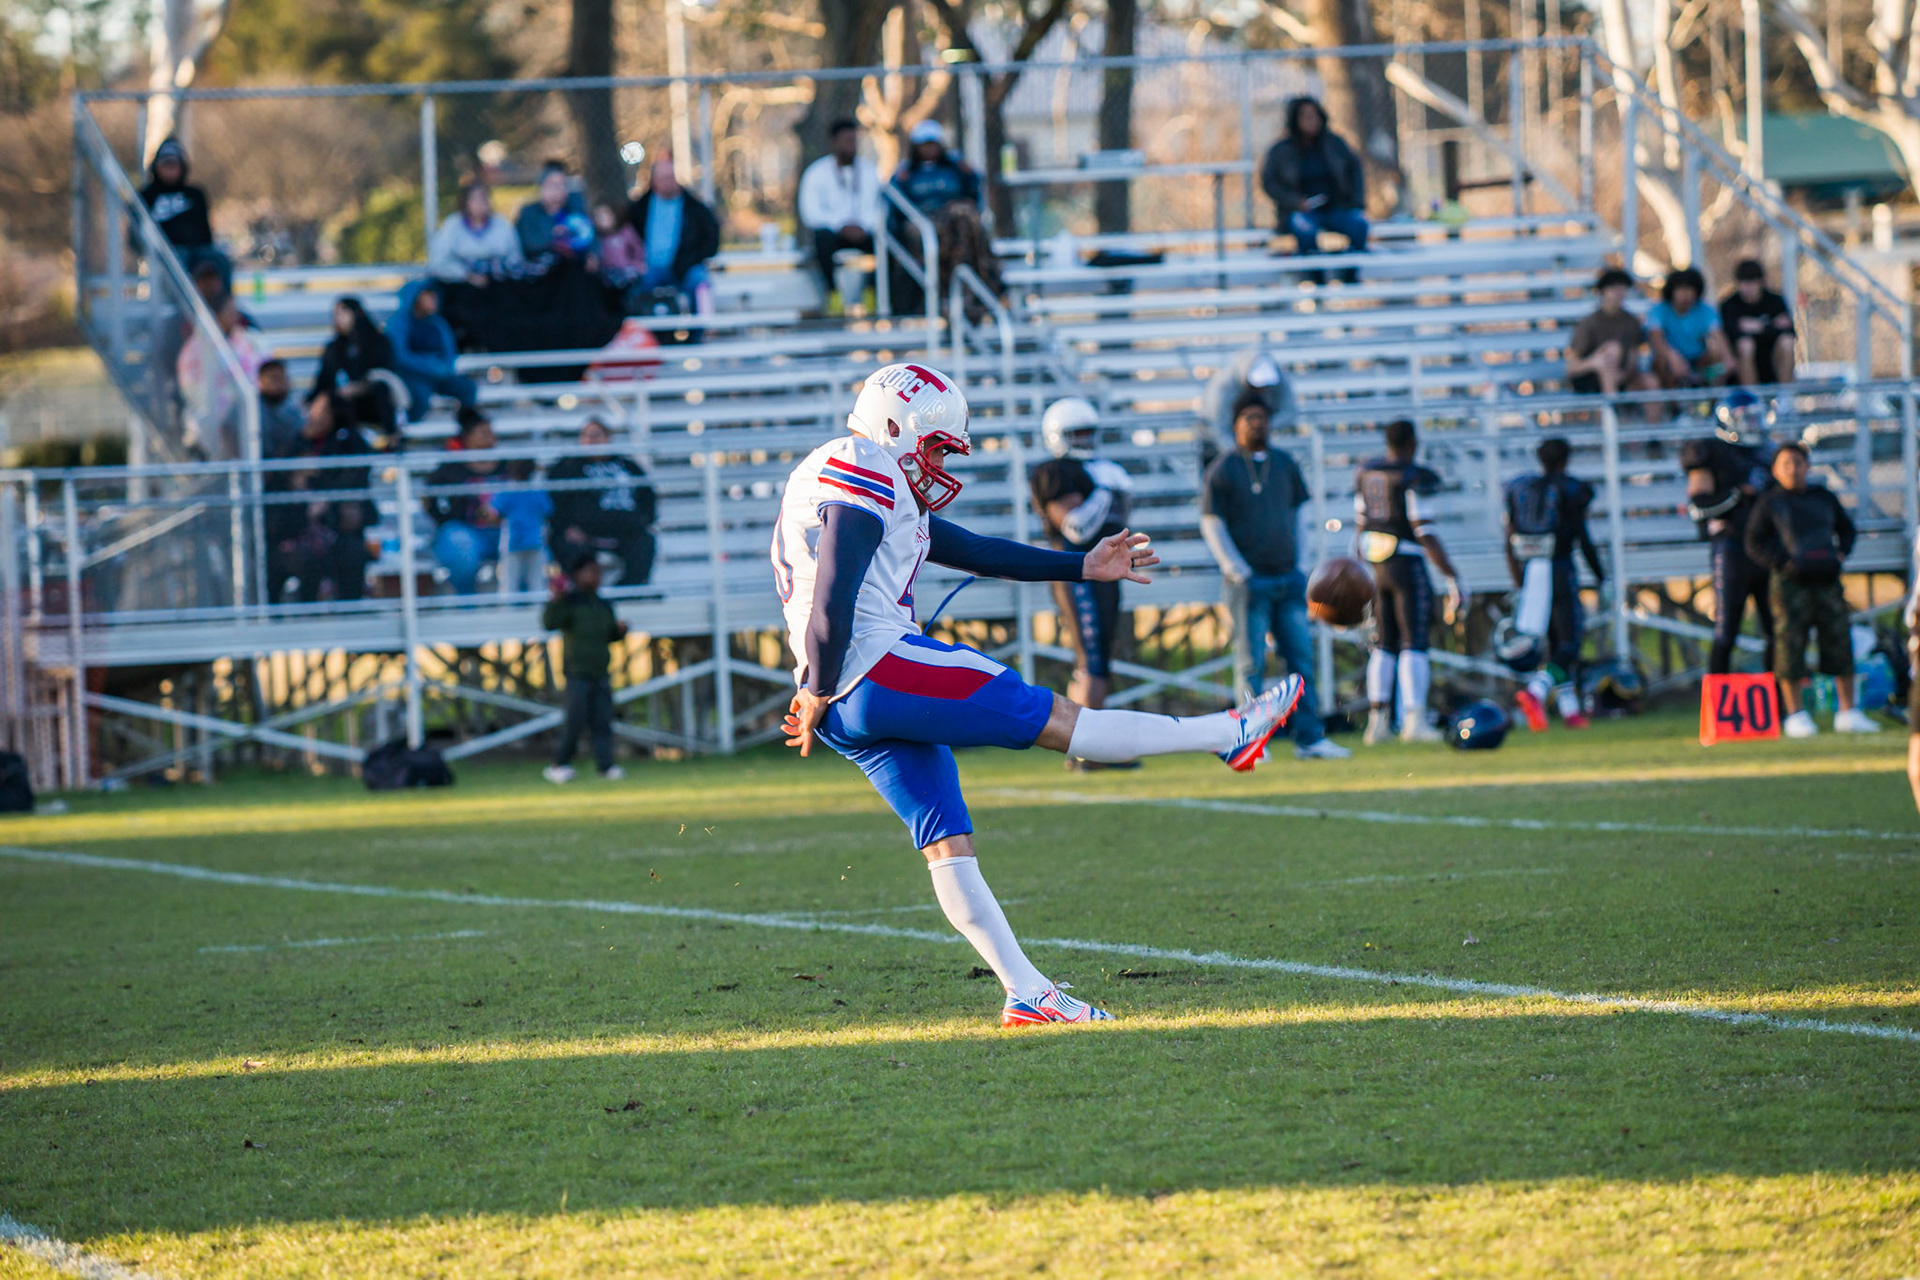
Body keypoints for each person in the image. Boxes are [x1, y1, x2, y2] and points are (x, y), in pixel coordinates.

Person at [775, 362, 1305, 1027]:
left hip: (847, 693)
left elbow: (976, 550)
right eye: (936, 447)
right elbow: (833, 592)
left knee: (947, 842)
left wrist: (1083, 564)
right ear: (894, 428)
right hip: (871, 669)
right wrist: (818, 685)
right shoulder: (863, 463)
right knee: (1060, 719)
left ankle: (1027, 992)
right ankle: (1227, 733)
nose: (941, 463)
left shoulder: (860, 475)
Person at [1201, 390, 1349, 760]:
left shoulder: (1284, 463)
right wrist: (1236, 568)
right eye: (1250, 418)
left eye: (1262, 418)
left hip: (1288, 577)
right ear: (1236, 425)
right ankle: (1251, 740)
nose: (1258, 424)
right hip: (1249, 583)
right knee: (1250, 664)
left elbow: (1299, 514)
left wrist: (1302, 563)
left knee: (1300, 661)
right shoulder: (1224, 468)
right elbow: (1211, 522)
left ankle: (1310, 737)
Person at [1744, 442, 1879, 737]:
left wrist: (1839, 554)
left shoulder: (1823, 496)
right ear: (1775, 470)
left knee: (1840, 642)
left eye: (1798, 462)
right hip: (1790, 584)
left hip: (1827, 580)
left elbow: (1846, 529)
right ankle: (1796, 714)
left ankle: (1848, 711)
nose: (1793, 469)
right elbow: (1754, 542)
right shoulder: (1770, 502)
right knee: (1789, 646)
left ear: (1807, 465)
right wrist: (1783, 563)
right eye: (1786, 464)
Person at [1029, 398, 1137, 765]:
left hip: (1104, 571)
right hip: (1078, 571)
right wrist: (1105, 493)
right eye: (1078, 433)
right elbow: (1075, 527)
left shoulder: (1097, 469)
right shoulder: (1057, 472)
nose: (1086, 440)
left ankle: (1087, 747)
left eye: (1090, 432)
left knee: (1097, 656)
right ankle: (1088, 750)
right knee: (1091, 658)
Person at [1354, 419, 1462, 745]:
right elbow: (1422, 527)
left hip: (1374, 562)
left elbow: (1360, 523)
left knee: (1384, 644)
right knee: (1413, 641)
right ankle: (1414, 719)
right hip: (1405, 562)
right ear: (1413, 442)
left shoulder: (1367, 472)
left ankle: (1378, 722)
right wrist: (1452, 576)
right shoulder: (1412, 475)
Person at [1502, 437, 1606, 732]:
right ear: (1566, 459)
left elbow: (1509, 537)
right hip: (1558, 570)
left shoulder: (1520, 488)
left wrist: (1517, 578)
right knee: (1569, 644)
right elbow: (1582, 537)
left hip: (1529, 570)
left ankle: (1569, 711)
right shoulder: (1569, 489)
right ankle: (1535, 691)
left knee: (1555, 646)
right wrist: (1601, 576)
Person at [1683, 389, 1777, 676]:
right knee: (1726, 631)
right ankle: (1717, 696)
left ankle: (1779, 696)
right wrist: (1737, 496)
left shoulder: (1769, 452)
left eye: (1756, 418)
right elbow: (1698, 507)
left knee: (1776, 630)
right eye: (1746, 418)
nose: (1753, 424)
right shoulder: (1712, 451)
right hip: (1732, 548)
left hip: (1768, 548)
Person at [264, 390, 377, 604]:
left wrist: (325, 496)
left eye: (323, 410)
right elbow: (279, 481)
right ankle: (305, 613)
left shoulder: (349, 442)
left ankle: (351, 611)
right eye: (315, 408)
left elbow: (353, 482)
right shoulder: (296, 443)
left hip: (335, 528)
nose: (315, 414)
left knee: (352, 554)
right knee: (298, 560)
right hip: (294, 531)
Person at [542, 552, 628, 784]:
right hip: (577, 673)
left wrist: (620, 631)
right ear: (577, 575)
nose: (595, 577)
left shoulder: (603, 604)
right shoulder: (570, 602)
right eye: (590, 572)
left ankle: (606, 766)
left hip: (600, 672)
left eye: (598, 572)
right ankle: (560, 764)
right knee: (575, 721)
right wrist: (556, 599)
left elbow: (609, 634)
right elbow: (550, 623)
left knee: (603, 721)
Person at [1260, 96, 1368, 272]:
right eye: (1305, 116)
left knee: (1358, 224)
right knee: (1303, 228)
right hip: (1302, 210)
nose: (1311, 121)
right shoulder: (1281, 150)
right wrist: (1294, 201)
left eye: (1314, 115)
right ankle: (1316, 277)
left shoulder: (1335, 144)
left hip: (1336, 207)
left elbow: (1355, 171)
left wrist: (1356, 203)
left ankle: (1350, 275)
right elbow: (1269, 183)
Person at [546, 418, 658, 586]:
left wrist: (642, 522)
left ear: (608, 438)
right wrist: (565, 527)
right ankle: (583, 593)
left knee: (646, 542)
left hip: (626, 534)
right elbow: (552, 500)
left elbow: (648, 497)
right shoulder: (567, 466)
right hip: (584, 535)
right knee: (562, 543)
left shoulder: (628, 466)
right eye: (586, 435)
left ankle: (628, 592)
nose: (591, 440)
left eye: (596, 435)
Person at [885, 121, 982, 314]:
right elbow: (894, 204)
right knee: (926, 237)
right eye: (924, 145)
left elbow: (974, 193)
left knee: (964, 219)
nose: (929, 149)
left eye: (933, 144)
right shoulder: (906, 173)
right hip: (922, 224)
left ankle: (970, 288)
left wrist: (968, 174)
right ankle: (934, 296)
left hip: (953, 224)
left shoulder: (954, 168)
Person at [799, 120, 882, 308]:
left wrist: (864, 226)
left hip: (864, 231)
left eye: (854, 140)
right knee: (822, 239)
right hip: (834, 233)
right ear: (834, 142)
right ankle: (833, 294)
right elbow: (810, 212)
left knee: (887, 242)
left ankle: (873, 292)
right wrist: (840, 226)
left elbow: (878, 206)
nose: (851, 146)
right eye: (846, 141)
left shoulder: (869, 170)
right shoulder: (817, 173)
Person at [176, 295, 271, 460]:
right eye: (229, 310)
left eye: (234, 309)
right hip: (212, 413)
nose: (234, 314)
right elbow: (190, 386)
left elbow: (264, 372)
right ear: (216, 314)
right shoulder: (195, 348)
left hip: (247, 412)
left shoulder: (251, 340)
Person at [625, 153, 720, 314]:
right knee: (630, 288)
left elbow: (711, 240)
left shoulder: (695, 208)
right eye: (664, 178)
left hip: (684, 267)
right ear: (654, 182)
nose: (669, 183)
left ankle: (701, 327)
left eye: (672, 177)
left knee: (699, 282)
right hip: (648, 268)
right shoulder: (640, 209)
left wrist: (690, 260)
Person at [423, 409, 503, 594]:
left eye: (490, 432)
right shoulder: (452, 468)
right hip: (467, 529)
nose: (490, 437)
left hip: (504, 528)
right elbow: (428, 497)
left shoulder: (508, 465)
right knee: (459, 544)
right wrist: (445, 520)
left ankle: (524, 598)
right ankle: (466, 599)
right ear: (467, 437)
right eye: (483, 433)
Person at [138, 137, 227, 288]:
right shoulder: (146, 196)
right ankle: (181, 301)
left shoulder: (195, 194)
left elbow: (205, 231)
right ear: (156, 167)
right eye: (166, 165)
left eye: (174, 165)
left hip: (196, 250)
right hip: (164, 250)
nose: (170, 170)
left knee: (218, 259)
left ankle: (223, 302)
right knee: (179, 258)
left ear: (182, 167)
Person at [385, 280, 478, 421]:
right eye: (428, 296)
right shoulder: (398, 323)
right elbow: (399, 355)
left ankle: (467, 424)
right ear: (415, 298)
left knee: (467, 388)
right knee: (419, 396)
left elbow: (449, 352)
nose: (434, 300)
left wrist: (443, 368)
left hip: (438, 373)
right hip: (411, 374)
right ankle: (408, 427)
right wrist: (429, 366)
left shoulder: (438, 323)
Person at [312, 297, 398, 440]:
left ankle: (390, 437)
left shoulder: (379, 342)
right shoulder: (334, 348)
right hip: (343, 404)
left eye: (342, 313)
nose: (337, 319)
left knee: (381, 390)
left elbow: (384, 373)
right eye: (335, 315)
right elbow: (323, 380)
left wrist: (359, 387)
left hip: (372, 401)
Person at [1565, 268, 1660, 398]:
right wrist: (1594, 362)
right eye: (1614, 288)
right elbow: (1572, 367)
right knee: (1612, 350)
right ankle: (1612, 406)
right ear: (1603, 291)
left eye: (1623, 288)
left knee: (1650, 382)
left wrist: (1624, 375)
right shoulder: (1589, 322)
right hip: (1590, 379)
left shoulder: (1631, 321)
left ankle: (1661, 413)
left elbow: (1633, 357)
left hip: (1623, 378)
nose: (1619, 293)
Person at [1200, 345, 1299, 468]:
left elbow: (1289, 411)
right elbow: (1219, 428)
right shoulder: (1223, 388)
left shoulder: (1279, 381)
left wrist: (1262, 427)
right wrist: (1239, 457)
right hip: (1217, 447)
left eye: (1265, 386)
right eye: (1256, 386)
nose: (1261, 390)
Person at [1648, 266, 1732, 389]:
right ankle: (1673, 398)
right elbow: (1656, 338)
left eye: (1690, 289)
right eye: (1681, 289)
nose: (1686, 294)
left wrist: (1727, 358)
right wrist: (1672, 356)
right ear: (1671, 291)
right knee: (1660, 361)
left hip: (1698, 361)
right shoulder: (1659, 309)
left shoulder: (1706, 310)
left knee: (1716, 359)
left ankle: (1711, 397)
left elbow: (1718, 335)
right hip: (1670, 362)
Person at [1719, 259, 1797, 387]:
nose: (1748, 288)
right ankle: (1752, 394)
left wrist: (1759, 326)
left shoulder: (1775, 301)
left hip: (1773, 360)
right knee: (1746, 345)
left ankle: (1785, 393)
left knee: (1787, 342)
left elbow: (1790, 331)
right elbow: (1729, 335)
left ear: (1761, 282)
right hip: (1742, 366)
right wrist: (1772, 325)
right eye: (1744, 283)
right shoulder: (1729, 305)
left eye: (1752, 283)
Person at [428, 181, 524, 284]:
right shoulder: (452, 225)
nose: (479, 204)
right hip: (460, 283)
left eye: (483, 198)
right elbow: (439, 261)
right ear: (465, 202)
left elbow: (515, 258)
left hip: (497, 283)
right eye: (474, 199)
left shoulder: (502, 224)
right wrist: (466, 275)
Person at [492, 457, 553, 596]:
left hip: (513, 541)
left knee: (509, 582)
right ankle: (537, 607)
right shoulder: (537, 491)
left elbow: (494, 513)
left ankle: (508, 608)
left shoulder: (507, 491)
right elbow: (547, 511)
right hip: (535, 539)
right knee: (536, 581)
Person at [515, 160, 595, 263]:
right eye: (553, 185)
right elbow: (529, 244)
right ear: (542, 187)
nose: (558, 190)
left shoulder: (574, 211)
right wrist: (554, 236)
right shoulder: (528, 213)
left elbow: (589, 236)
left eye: (562, 184)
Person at [256, 359, 306, 460]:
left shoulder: (294, 411)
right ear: (260, 381)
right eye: (274, 378)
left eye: (283, 378)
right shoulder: (249, 410)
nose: (279, 383)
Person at [592, 200, 645, 288]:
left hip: (628, 275)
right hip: (609, 278)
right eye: (598, 217)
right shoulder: (598, 239)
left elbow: (638, 249)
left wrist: (637, 264)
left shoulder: (626, 232)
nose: (602, 220)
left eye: (604, 215)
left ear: (614, 215)